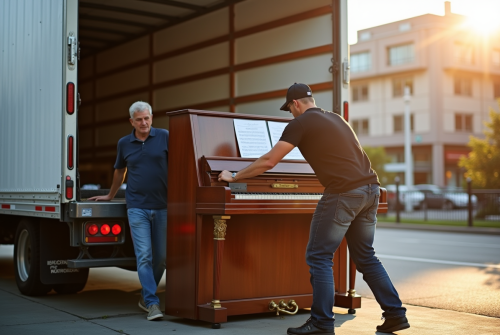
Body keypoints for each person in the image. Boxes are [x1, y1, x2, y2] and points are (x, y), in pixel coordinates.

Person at [218, 83, 409, 334]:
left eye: (289, 109)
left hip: (344, 192)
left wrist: (234, 176)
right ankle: (395, 314)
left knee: (319, 256)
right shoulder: (337, 118)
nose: (291, 114)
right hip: (370, 189)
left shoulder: (300, 123)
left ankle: (321, 322)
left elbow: (269, 160)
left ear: (295, 104)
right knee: (366, 257)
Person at [89, 101, 168, 321]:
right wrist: (111, 195)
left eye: (147, 118)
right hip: (137, 207)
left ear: (152, 117)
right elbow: (119, 171)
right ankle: (152, 303)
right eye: (139, 119)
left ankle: (145, 296)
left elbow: (179, 165)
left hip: (163, 206)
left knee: (161, 258)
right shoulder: (124, 143)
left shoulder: (164, 137)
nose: (144, 123)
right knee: (144, 256)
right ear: (131, 121)